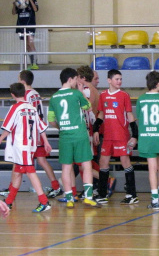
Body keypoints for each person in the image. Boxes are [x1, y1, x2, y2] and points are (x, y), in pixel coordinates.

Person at [48, 68, 100, 208]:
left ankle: (70, 198)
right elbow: (88, 107)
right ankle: (88, 197)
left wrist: (61, 128)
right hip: (79, 134)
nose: (77, 81)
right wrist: (82, 92)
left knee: (66, 167)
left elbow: (51, 120)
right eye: (76, 79)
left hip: (65, 135)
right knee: (86, 164)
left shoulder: (54, 97)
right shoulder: (76, 94)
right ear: (70, 79)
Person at [1, 82, 52, 212]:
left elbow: (7, 128)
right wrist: (46, 142)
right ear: (24, 93)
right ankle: (8, 202)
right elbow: (42, 127)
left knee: (30, 172)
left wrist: (0, 138)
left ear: (12, 95)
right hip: (31, 145)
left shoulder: (15, 108)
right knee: (17, 173)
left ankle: (44, 201)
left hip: (21, 146)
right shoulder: (31, 108)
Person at [92, 69, 138, 205]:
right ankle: (102, 194)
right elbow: (101, 114)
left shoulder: (124, 95)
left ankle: (132, 194)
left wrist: (135, 135)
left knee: (125, 163)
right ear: (109, 80)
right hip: (108, 136)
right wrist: (95, 130)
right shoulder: (103, 95)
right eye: (117, 79)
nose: (119, 81)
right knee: (103, 163)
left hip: (121, 136)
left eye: (120, 79)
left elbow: (130, 116)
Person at [15, 70, 61, 199]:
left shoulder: (27, 96)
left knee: (20, 161)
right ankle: (56, 186)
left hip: (32, 133)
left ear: (22, 81)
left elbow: (29, 115)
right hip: (38, 131)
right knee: (41, 161)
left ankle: (12, 190)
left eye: (19, 79)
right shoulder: (35, 93)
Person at [137, 71, 159, 210]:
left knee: (152, 168)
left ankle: (155, 199)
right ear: (157, 84)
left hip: (146, 137)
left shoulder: (141, 99)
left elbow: (140, 118)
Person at [12, 0, 38, 70]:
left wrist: (29, 0)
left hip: (30, 25)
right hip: (21, 25)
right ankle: (32, 63)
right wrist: (14, 5)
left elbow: (35, 9)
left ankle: (35, 63)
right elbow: (14, 13)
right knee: (26, 45)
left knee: (30, 43)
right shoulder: (19, 0)